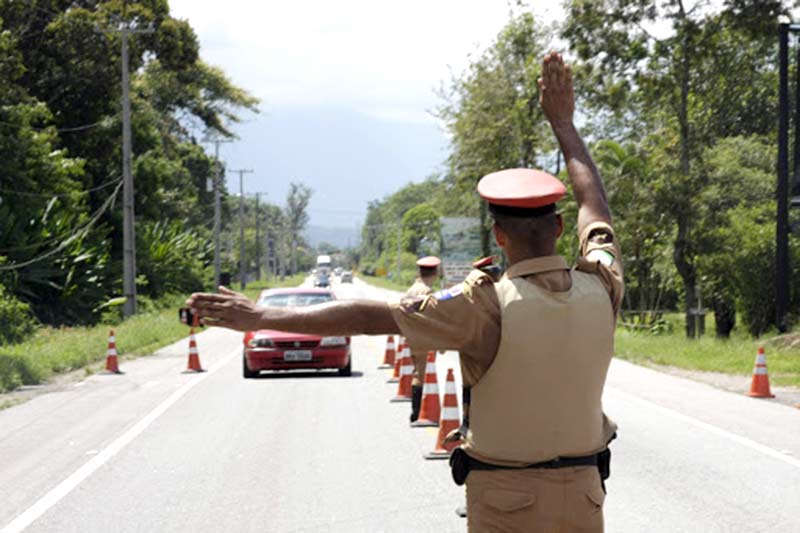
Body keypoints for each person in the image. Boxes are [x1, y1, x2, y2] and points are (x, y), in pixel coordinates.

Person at [187, 52, 622, 532]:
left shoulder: (485, 303)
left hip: (507, 501)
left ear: (498, 236)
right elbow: (593, 202)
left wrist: (260, 318)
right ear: (559, 226)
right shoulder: (601, 282)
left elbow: (368, 317)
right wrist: (564, 124)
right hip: (585, 497)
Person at [405, 256, 441, 423]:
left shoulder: (411, 289)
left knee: (417, 372)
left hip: (412, 334)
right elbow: (431, 317)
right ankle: (418, 411)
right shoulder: (426, 291)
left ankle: (417, 410)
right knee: (422, 374)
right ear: (434, 272)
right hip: (423, 336)